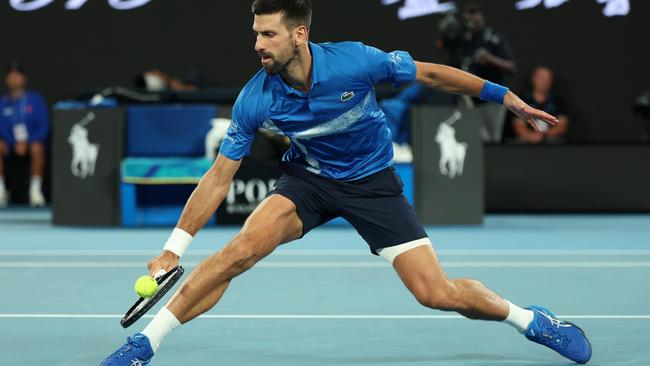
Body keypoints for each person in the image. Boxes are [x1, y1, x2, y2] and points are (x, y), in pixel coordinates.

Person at [101, 1, 591, 365]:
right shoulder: (257, 97)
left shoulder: (355, 61)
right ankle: (146, 344)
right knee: (238, 252)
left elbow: (433, 75)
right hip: (308, 181)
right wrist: (173, 248)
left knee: (435, 293)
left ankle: (531, 320)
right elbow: (218, 178)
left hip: (373, 183)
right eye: (255, 34)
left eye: (268, 34)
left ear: (299, 34)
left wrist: (505, 98)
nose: (257, 45)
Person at [0, 62, 48, 207]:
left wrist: (28, 141)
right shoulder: (2, 102)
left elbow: (44, 125)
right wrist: (12, 142)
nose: (14, 79)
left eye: (17, 75)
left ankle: (35, 190)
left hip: (32, 143)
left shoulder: (36, 99)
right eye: (11, 76)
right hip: (10, 144)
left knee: (37, 147)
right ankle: (0, 191)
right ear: (6, 79)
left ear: (24, 78)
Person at [513, 66, 569, 144]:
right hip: (527, 140)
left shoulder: (558, 101)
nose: (544, 82)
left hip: (551, 140)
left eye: (548, 79)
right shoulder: (522, 100)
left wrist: (543, 135)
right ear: (533, 79)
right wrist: (530, 136)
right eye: (541, 78)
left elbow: (562, 126)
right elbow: (518, 125)